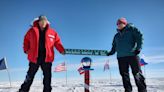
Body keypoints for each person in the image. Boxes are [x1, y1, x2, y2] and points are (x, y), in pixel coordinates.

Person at [19, 15, 65, 92]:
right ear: (39, 22)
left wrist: (61, 50)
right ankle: (23, 90)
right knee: (30, 76)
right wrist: (26, 49)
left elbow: (57, 42)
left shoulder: (53, 32)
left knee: (47, 78)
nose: (43, 23)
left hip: (47, 58)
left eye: (45, 21)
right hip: (34, 58)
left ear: (47, 22)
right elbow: (26, 40)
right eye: (41, 21)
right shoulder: (32, 30)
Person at [108, 17, 147, 92]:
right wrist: (111, 52)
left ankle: (142, 90)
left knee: (137, 74)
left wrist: (138, 48)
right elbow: (114, 46)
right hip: (121, 57)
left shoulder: (132, 29)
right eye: (117, 24)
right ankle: (128, 90)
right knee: (124, 75)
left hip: (132, 55)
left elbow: (140, 37)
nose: (118, 25)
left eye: (120, 23)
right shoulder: (116, 36)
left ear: (125, 23)